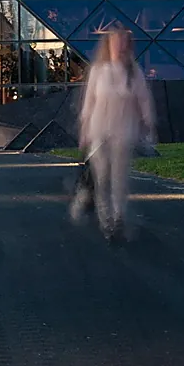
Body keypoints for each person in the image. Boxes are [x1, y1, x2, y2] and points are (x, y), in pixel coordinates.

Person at [74, 27, 155, 240]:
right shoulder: (99, 71)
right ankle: (106, 220)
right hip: (99, 131)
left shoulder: (133, 72)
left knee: (119, 178)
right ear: (108, 45)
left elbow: (143, 99)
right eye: (115, 42)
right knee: (101, 178)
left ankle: (118, 217)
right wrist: (84, 132)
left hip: (123, 132)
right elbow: (89, 103)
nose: (119, 46)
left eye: (123, 42)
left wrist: (148, 123)